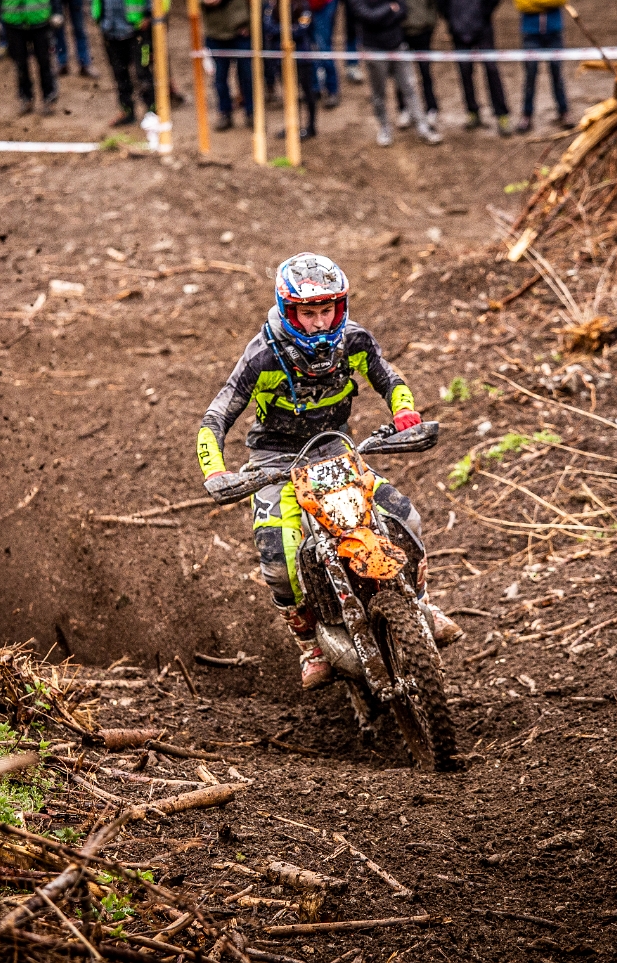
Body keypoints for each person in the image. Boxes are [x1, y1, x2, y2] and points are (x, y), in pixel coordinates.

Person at [197, 254, 463, 690]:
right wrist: (215, 471)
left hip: (335, 449)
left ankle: (421, 604)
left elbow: (390, 379)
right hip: (275, 460)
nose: (320, 322)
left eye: (327, 310)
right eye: (309, 313)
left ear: (340, 307)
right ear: (289, 312)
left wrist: (404, 414)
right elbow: (215, 418)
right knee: (278, 558)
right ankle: (309, 645)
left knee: (405, 518)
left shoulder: (354, 340)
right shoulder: (262, 357)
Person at [348, 0, 441, 147]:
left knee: (410, 87)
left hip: (397, 44)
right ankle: (384, 128)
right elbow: (367, 17)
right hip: (374, 49)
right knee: (379, 93)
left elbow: (403, 9)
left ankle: (423, 126)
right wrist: (388, 9)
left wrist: (385, 15)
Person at [436, 0, 510, 135]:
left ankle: (502, 114)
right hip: (458, 27)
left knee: (491, 69)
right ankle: (472, 111)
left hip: (482, 25)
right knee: (465, 71)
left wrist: (483, 14)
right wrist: (452, 20)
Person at [91, 0, 154, 125]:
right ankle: (127, 110)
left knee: (143, 71)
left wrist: (147, 14)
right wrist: (97, 15)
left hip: (135, 27)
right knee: (119, 74)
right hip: (110, 28)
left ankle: (152, 110)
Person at [512, 0, 570, 131]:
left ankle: (564, 111)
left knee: (557, 73)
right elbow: (521, 3)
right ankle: (526, 115)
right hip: (531, 33)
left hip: (554, 30)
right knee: (530, 75)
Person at [198, 0, 253, 131]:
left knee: (247, 75)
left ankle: (251, 112)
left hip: (241, 32)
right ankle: (225, 113)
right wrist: (204, 0)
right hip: (215, 33)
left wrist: (250, 25)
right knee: (219, 78)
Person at [382, 0, 437, 131]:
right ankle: (404, 109)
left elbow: (433, 0)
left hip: (422, 29)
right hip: (398, 31)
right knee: (400, 75)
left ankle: (431, 108)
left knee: (425, 72)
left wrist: (430, 21)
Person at [262, 0, 319, 139]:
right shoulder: (272, 6)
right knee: (288, 93)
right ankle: (292, 125)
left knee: (307, 91)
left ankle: (310, 126)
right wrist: (288, 30)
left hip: (301, 55)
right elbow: (268, 27)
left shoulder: (303, 4)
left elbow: (302, 29)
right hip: (280, 55)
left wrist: (284, 31)